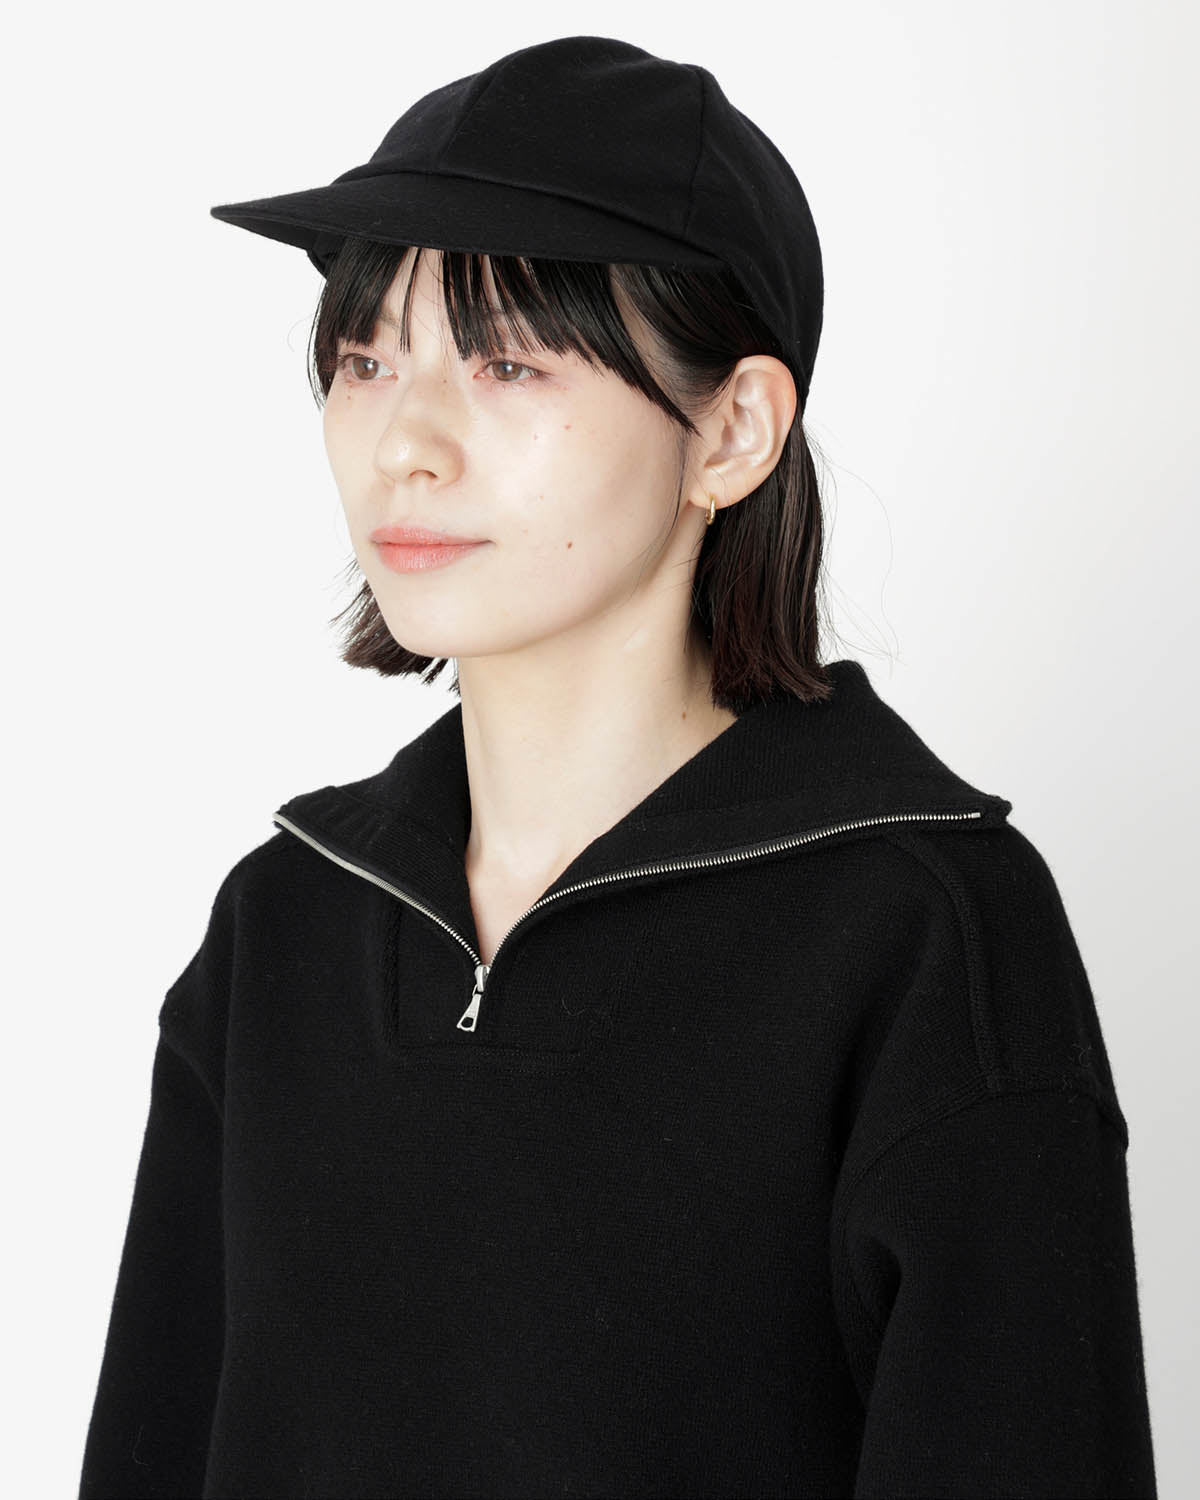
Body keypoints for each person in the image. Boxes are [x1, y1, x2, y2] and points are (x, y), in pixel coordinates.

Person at [77, 34, 1158, 1500]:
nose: (405, 443)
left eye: (510, 362)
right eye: (366, 359)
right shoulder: (284, 924)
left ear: (732, 431)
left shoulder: (923, 940)